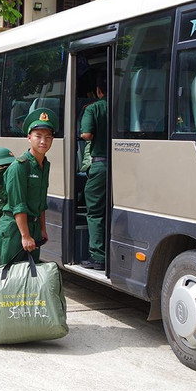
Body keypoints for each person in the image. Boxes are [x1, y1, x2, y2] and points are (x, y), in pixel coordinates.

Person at [0, 107, 58, 265]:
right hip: (15, 229)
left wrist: (42, 229)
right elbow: (18, 205)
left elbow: (41, 201)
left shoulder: (45, 165)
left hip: (33, 227)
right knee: (12, 276)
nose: (43, 141)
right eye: (38, 136)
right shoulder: (20, 166)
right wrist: (25, 236)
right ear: (29, 138)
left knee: (30, 277)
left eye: (48, 137)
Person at [80, 75, 107, 270]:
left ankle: (97, 256)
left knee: (95, 212)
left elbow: (87, 135)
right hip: (123, 165)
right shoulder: (122, 106)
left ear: (98, 91)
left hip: (100, 165)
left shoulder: (93, 108)